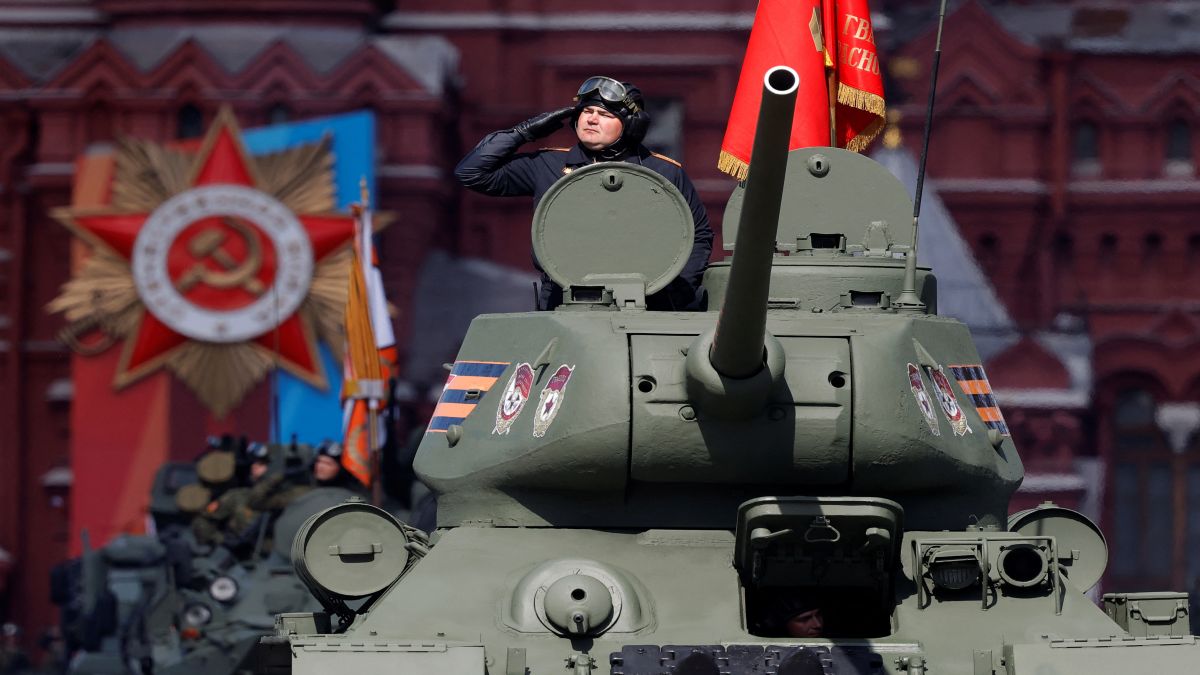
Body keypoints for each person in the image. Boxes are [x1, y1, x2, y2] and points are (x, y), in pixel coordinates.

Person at [455, 76, 714, 311]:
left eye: (604, 114)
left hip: (648, 303)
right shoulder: (548, 165)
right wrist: (525, 132)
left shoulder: (663, 172)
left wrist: (674, 288)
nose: (591, 119)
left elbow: (698, 234)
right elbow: (471, 173)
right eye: (586, 111)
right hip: (563, 301)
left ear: (631, 125)